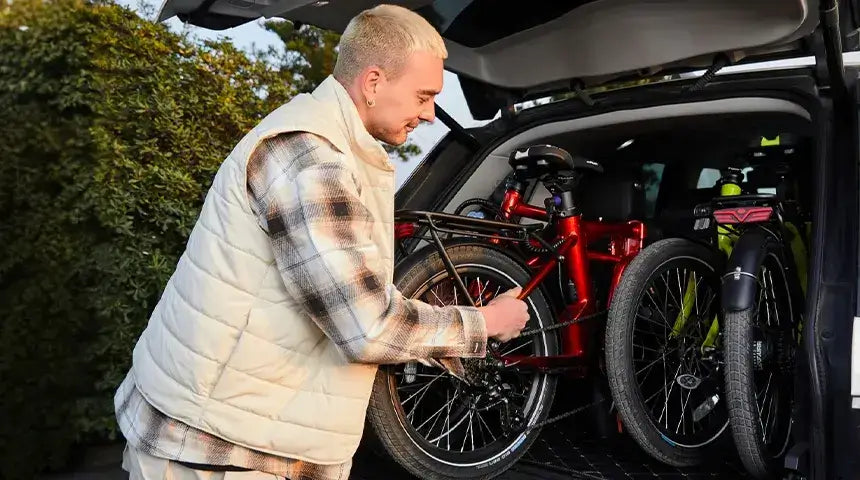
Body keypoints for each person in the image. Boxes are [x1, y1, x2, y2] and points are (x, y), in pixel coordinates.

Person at [115, 4, 529, 479]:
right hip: (218, 451)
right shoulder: (311, 161)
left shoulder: (332, 146)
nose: (430, 115)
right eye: (423, 95)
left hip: (236, 433)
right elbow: (367, 327)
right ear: (373, 82)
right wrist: (484, 323)